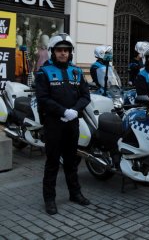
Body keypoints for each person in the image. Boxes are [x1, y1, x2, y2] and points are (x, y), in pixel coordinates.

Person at [35, 33, 91, 215]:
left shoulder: (76, 71)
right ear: (52, 51)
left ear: (70, 52)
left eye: (66, 50)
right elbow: (43, 99)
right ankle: (49, 199)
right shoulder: (44, 72)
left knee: (71, 161)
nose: (63, 53)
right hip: (54, 124)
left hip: (72, 123)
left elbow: (85, 96)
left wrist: (74, 110)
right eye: (59, 50)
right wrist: (63, 111)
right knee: (52, 162)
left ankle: (75, 193)